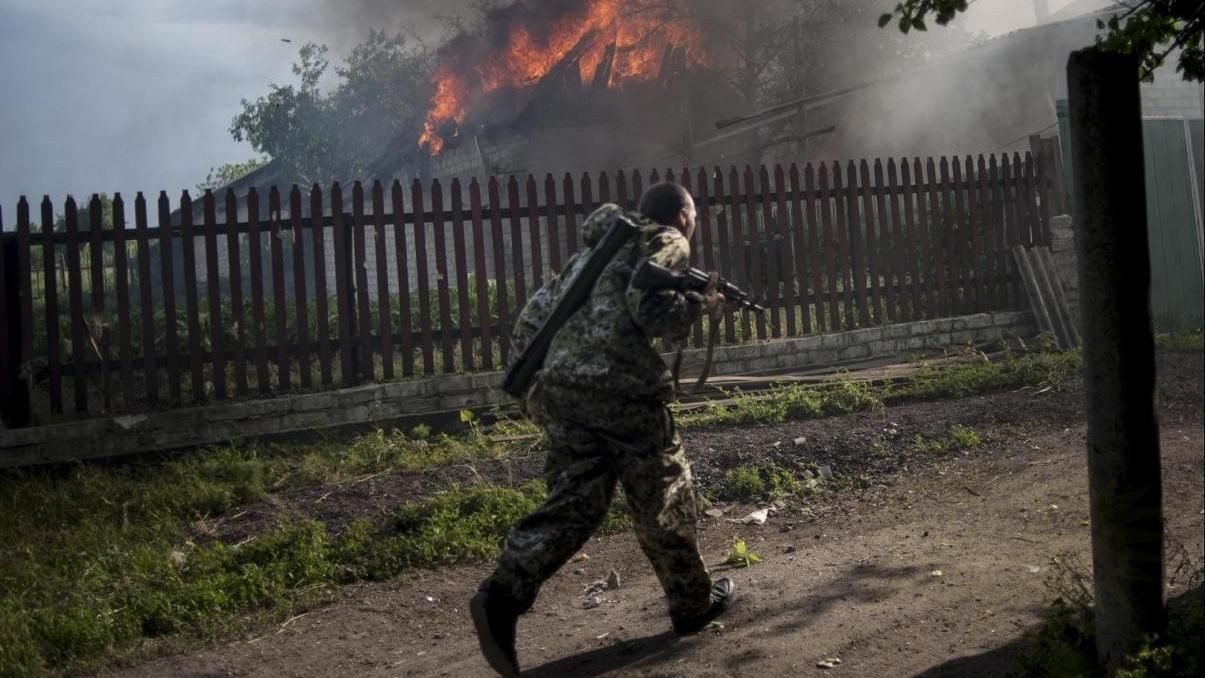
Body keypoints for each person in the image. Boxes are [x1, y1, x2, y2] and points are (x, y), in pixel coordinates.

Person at [470, 182, 735, 677]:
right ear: (681, 215)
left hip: (563, 390)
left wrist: (536, 391)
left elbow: (533, 316)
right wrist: (701, 305)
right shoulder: (668, 241)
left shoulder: (594, 252)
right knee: (666, 492)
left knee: (576, 502)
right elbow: (649, 309)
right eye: (694, 216)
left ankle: (500, 598)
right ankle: (692, 604)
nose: (693, 225)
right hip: (623, 389)